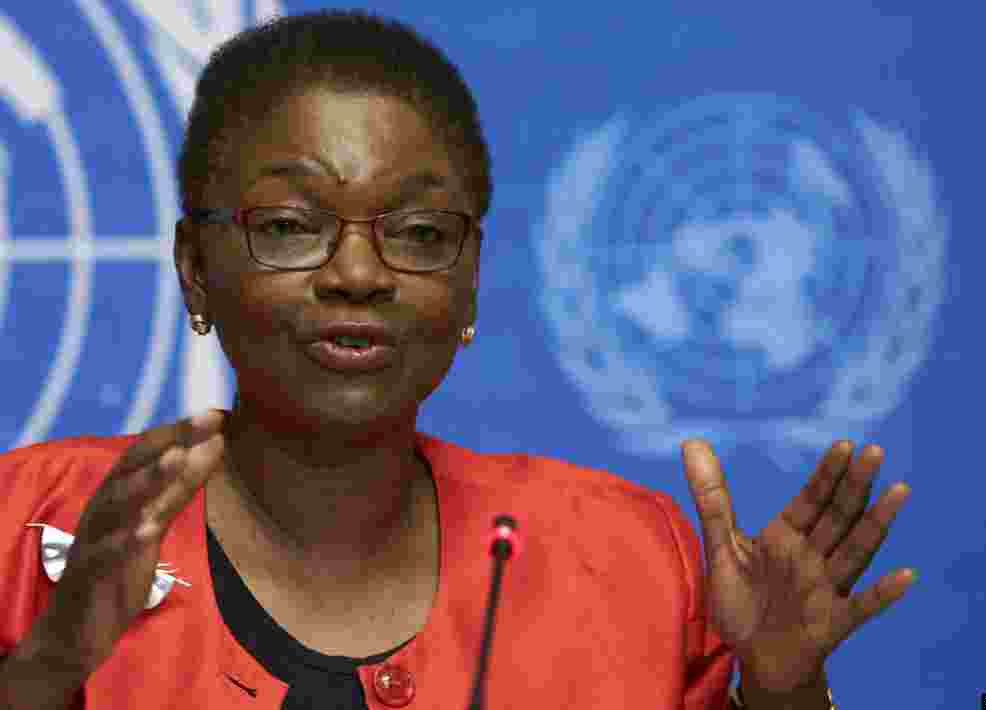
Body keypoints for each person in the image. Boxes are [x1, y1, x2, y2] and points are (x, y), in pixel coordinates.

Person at [0, 10, 916, 710]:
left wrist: (778, 691)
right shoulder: (26, 522)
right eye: (289, 227)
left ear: (468, 278)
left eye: (419, 231)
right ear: (196, 271)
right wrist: (48, 669)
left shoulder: (630, 562)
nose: (357, 273)